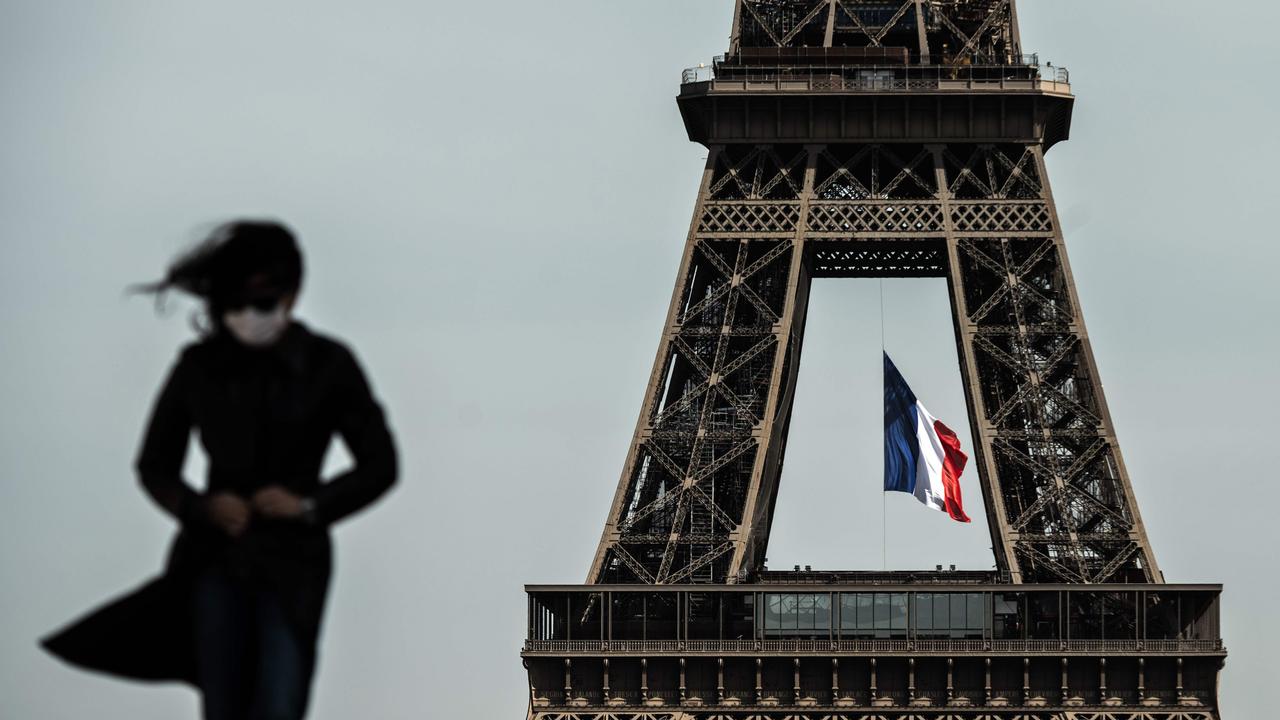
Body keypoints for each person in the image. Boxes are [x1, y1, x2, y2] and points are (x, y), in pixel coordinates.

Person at [42, 220, 399, 720]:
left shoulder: (329, 366)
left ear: (292, 297)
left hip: (294, 567)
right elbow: (154, 465)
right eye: (235, 305)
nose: (247, 317)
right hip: (215, 561)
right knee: (224, 708)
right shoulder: (199, 367)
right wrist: (201, 507)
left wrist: (309, 506)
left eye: (261, 304)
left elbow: (381, 464)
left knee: (278, 705)